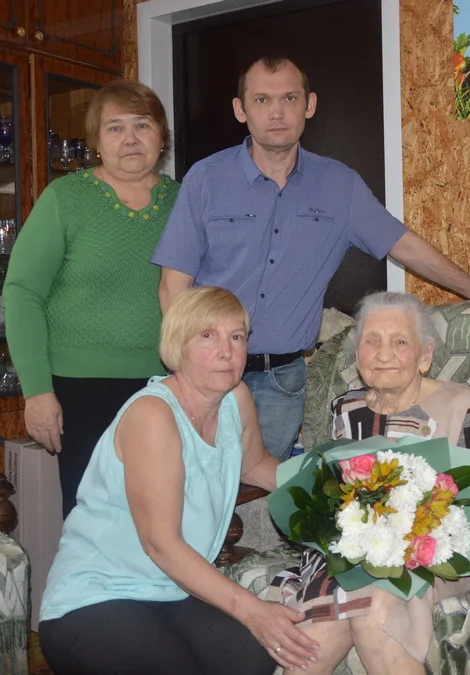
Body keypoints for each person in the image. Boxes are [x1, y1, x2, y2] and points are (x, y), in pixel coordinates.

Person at [151, 55, 470, 463]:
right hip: (207, 373)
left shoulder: (340, 186)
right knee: (191, 481)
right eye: (262, 100)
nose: (277, 112)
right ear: (240, 109)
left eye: (290, 98)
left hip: (280, 382)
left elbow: (405, 245)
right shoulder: (206, 179)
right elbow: (172, 288)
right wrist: (188, 369)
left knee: (258, 492)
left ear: (310, 105)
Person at [37, 287, 320, 675]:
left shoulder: (235, 398)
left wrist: (333, 489)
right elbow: (161, 544)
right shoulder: (153, 415)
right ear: (177, 346)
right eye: (208, 336)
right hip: (95, 595)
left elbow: (254, 464)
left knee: (252, 659)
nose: (226, 351)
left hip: (172, 590)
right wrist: (254, 610)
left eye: (236, 337)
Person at [264, 291, 470, 675]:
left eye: (400, 342)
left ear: (425, 356)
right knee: (327, 619)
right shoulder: (347, 408)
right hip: (350, 551)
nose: (383, 353)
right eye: (371, 341)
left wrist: (402, 541)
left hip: (435, 556)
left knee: (372, 606)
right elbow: (333, 490)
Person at [3, 80, 181, 518]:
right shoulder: (66, 198)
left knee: (164, 516)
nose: (130, 138)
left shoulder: (185, 202)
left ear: (161, 136)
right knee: (92, 520)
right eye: (115, 127)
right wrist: (37, 392)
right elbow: (23, 293)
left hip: (166, 386)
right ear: (97, 142)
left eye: (142, 125)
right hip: (79, 390)